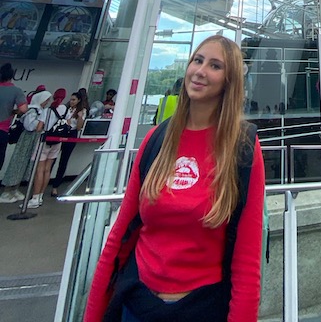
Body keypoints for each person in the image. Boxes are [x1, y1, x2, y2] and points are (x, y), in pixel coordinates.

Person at [85, 35, 265, 322]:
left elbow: (247, 257)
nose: (201, 71)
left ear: (229, 82)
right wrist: (93, 314)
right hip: (138, 303)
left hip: (200, 307)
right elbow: (120, 235)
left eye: (215, 66)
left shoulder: (242, 147)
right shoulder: (157, 139)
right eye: (198, 60)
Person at [0, 90, 53, 203]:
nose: (47, 102)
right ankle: (7, 190)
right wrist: (40, 123)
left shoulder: (40, 111)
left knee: (26, 165)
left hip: (34, 140)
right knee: (18, 163)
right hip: (27, 140)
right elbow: (29, 126)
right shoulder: (32, 110)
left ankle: (15, 189)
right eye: (46, 100)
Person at [29, 90, 68, 208]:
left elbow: (39, 127)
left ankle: (35, 198)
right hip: (57, 142)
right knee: (47, 169)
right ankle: (40, 196)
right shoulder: (65, 110)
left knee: (39, 169)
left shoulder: (47, 110)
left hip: (45, 141)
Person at [50, 90, 88, 197]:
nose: (71, 102)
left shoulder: (82, 111)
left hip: (71, 133)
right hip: (61, 132)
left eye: (74, 100)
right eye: (71, 99)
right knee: (52, 158)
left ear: (79, 100)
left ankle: (55, 186)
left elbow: (80, 127)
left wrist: (80, 117)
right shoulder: (65, 108)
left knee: (64, 160)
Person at [0, 62, 27, 172]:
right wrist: (13, 112)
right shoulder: (16, 91)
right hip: (2, 130)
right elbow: (24, 109)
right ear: (11, 76)